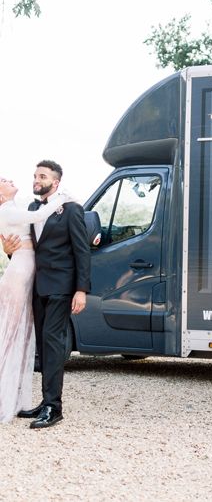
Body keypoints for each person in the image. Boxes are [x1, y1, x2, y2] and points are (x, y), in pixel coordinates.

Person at [2, 160, 90, 429]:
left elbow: (81, 251)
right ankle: (44, 401)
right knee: (42, 345)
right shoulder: (31, 208)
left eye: (42, 176)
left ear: (56, 181)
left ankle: (54, 407)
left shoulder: (72, 209)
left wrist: (81, 290)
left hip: (62, 288)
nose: (36, 180)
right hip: (36, 286)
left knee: (52, 345)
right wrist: (8, 249)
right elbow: (25, 248)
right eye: (35, 176)